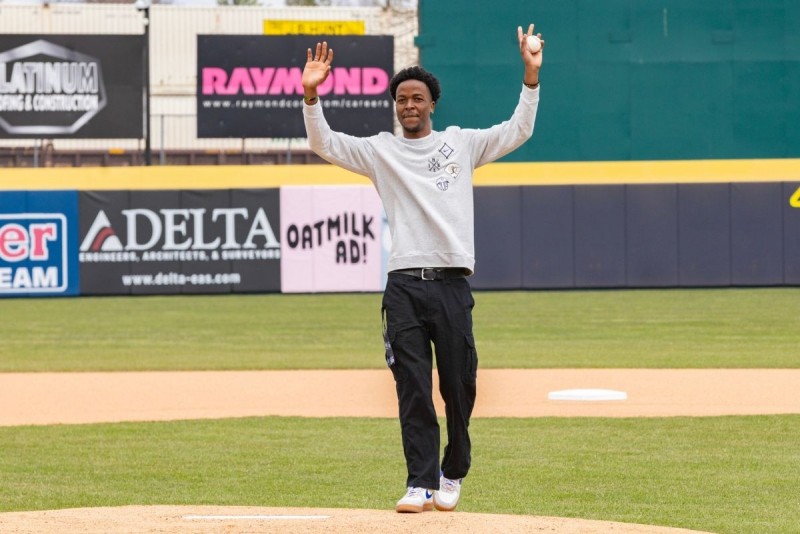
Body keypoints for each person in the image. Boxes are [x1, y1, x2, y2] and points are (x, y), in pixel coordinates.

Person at [301, 24, 544, 513]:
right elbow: (324, 143)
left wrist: (531, 76)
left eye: (417, 97)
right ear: (395, 106)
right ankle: (419, 481)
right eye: (401, 98)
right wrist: (311, 95)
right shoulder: (380, 152)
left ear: (432, 103)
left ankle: (452, 472)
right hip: (404, 287)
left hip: (452, 283)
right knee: (412, 387)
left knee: (459, 385)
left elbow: (518, 129)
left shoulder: (462, 144)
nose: (408, 105)